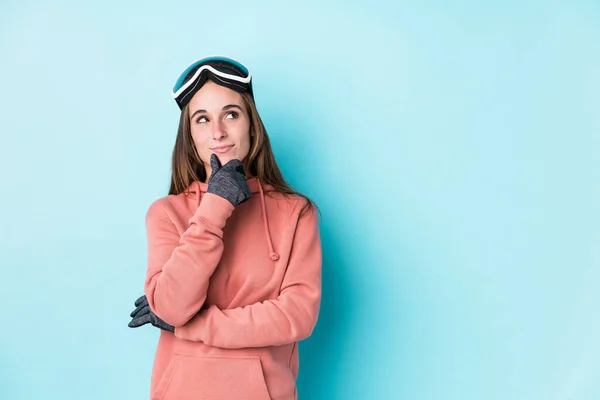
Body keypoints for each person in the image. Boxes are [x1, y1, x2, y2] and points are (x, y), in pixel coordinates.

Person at [127, 55, 322, 400]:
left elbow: (296, 316)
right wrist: (216, 205)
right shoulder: (166, 213)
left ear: (251, 123)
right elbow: (171, 308)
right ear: (190, 135)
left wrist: (192, 326)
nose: (218, 132)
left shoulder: (296, 212)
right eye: (202, 120)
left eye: (231, 114)